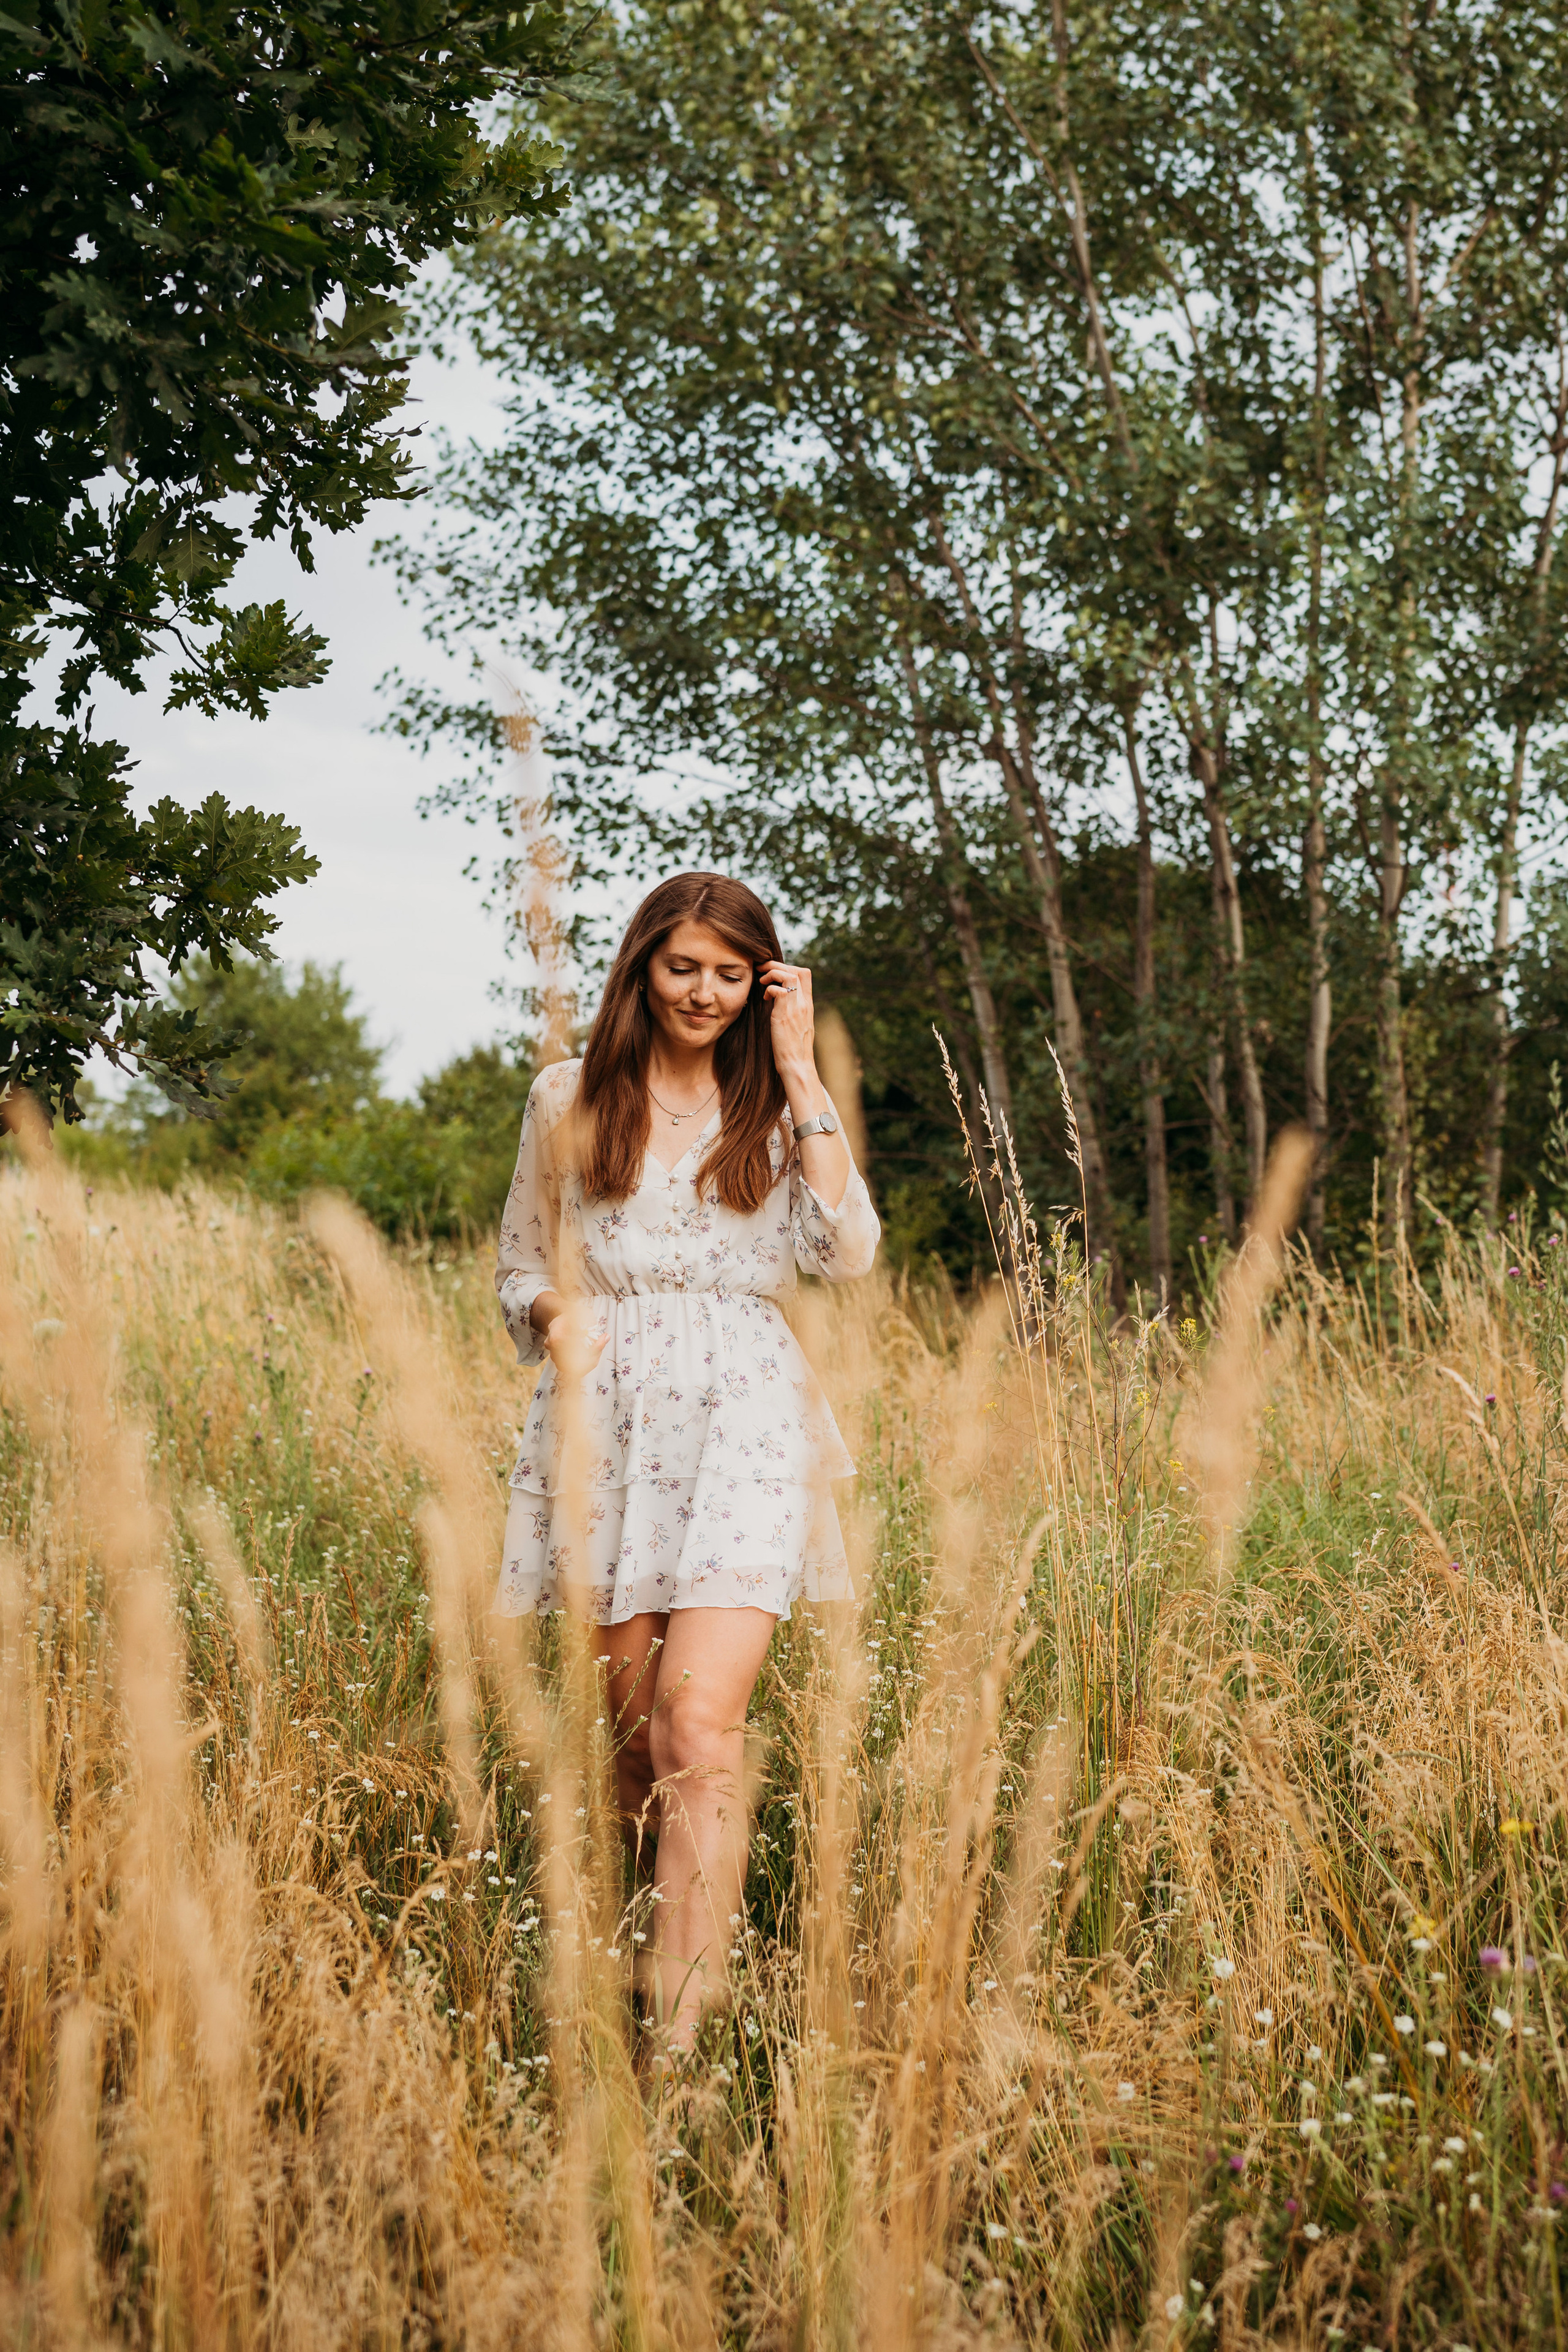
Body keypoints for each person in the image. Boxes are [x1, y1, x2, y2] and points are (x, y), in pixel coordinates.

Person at [492, 872, 880, 2052]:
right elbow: (517, 1263)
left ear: (760, 981)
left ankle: (686, 2014)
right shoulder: (568, 1094)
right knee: (629, 1744)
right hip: (604, 1415)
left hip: (748, 1416)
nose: (703, 993)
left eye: (729, 972)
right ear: (642, 969)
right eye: (682, 968)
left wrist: (805, 1070)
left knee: (697, 1726)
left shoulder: (776, 1104)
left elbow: (849, 1252)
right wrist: (555, 1317)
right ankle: (629, 1976)